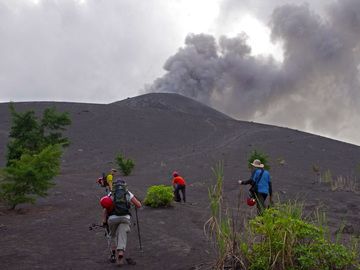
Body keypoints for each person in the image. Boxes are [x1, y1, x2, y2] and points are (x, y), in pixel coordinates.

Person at [102, 179, 142, 265]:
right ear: (124, 185)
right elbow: (139, 205)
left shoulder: (111, 193)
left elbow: (105, 208)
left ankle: (113, 254)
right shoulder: (127, 193)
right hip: (125, 217)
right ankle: (120, 252)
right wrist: (131, 204)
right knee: (122, 234)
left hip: (112, 218)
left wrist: (104, 221)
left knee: (112, 235)